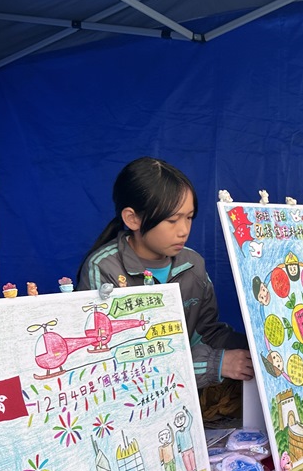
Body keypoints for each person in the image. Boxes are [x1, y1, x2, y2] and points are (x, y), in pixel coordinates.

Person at [77, 157, 253, 388]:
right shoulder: (104, 269)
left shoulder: (193, 264)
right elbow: (112, 363)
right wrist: (213, 364)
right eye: (172, 220)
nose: (183, 231)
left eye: (189, 218)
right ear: (132, 219)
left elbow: (207, 332)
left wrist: (255, 348)